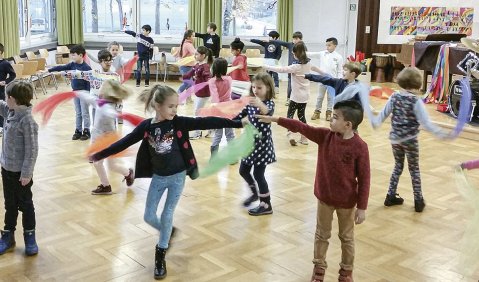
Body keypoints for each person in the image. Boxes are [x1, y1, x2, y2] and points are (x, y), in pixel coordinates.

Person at [89, 85, 247, 280]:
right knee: (148, 216)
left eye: (176, 106)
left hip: (178, 177)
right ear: (157, 105)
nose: (175, 110)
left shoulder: (179, 123)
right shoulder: (146, 127)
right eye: (171, 106)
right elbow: (125, 142)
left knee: (167, 213)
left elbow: (206, 121)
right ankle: (168, 231)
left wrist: (238, 123)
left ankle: (160, 254)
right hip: (159, 178)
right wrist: (99, 154)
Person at [256, 99, 370, 282]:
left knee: (347, 238)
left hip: (347, 202)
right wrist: (276, 119)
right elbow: (301, 126)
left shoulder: (360, 147)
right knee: (321, 234)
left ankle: (346, 271)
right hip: (324, 198)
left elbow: (365, 179)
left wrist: (362, 207)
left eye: (334, 118)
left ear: (347, 125)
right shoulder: (325, 136)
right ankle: (319, 267)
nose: (330, 121)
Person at [371, 67, 448, 213]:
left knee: (398, 167)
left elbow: (383, 114)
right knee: (414, 170)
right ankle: (418, 201)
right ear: (417, 83)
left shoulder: (394, 97)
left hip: (395, 139)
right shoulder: (415, 101)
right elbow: (426, 123)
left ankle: (390, 195)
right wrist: (440, 133)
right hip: (410, 140)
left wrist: (376, 123)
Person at [0, 81, 39, 256]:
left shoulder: (27, 120)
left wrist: (26, 174)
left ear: (13, 99)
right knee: (10, 204)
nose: (5, 99)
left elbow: (32, 150)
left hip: (21, 174)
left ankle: (30, 235)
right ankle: (8, 235)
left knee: (26, 205)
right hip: (6, 169)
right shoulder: (11, 111)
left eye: (7, 97)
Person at [77, 80, 134, 195]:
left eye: (102, 88)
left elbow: (109, 112)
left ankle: (124, 175)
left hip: (109, 140)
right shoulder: (100, 102)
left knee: (110, 165)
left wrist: (118, 115)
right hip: (99, 139)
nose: (100, 90)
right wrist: (77, 93)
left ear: (107, 92)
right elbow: (88, 98)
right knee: (101, 163)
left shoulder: (107, 107)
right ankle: (109, 184)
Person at [234, 73, 276, 215]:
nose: (255, 90)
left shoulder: (269, 103)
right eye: (253, 87)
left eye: (259, 87)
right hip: (249, 144)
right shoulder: (250, 102)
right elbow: (240, 116)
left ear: (268, 88)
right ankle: (254, 193)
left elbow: (268, 113)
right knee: (243, 171)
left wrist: (259, 103)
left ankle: (266, 205)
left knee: (259, 175)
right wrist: (227, 119)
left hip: (262, 146)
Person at [263, 41, 311, 146]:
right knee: (301, 116)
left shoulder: (296, 67)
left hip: (296, 96)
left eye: (294, 54)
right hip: (305, 96)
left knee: (290, 115)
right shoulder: (308, 63)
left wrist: (266, 67)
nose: (293, 55)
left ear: (297, 54)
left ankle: (290, 135)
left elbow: (281, 69)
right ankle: (304, 138)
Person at [48, 44, 92, 140]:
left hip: (84, 93)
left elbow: (89, 82)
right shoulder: (72, 65)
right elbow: (62, 67)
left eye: (74, 55)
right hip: (75, 92)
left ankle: (87, 130)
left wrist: (88, 94)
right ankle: (78, 130)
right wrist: (50, 70)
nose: (72, 57)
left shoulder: (87, 68)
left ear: (81, 55)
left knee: (85, 112)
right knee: (78, 112)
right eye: (71, 55)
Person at [308, 37, 344, 121]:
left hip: (333, 81)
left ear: (335, 46)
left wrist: (338, 81)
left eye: (329, 45)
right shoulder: (322, 53)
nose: (327, 47)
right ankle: (317, 112)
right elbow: (311, 54)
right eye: (326, 45)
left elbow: (340, 71)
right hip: (322, 79)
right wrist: (301, 52)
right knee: (320, 96)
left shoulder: (339, 57)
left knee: (330, 98)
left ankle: (329, 113)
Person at [182, 46, 214, 140]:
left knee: (197, 112)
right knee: (200, 112)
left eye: (197, 54)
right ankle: (212, 128)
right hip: (198, 92)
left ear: (203, 55)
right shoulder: (197, 65)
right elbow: (189, 74)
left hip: (204, 93)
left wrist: (207, 80)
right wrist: (184, 75)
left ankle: (197, 133)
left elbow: (208, 77)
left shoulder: (205, 66)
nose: (194, 55)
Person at [208, 57, 234, 156]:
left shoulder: (212, 81)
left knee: (218, 133)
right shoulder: (229, 79)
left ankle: (214, 158)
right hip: (228, 108)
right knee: (230, 133)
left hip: (218, 109)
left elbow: (215, 97)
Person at [270, 31, 303, 105]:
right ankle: (288, 99)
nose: (294, 40)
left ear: (300, 39)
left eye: (296, 39)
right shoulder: (290, 45)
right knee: (290, 84)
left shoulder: (303, 46)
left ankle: (297, 100)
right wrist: (270, 40)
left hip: (299, 69)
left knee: (298, 85)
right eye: (293, 38)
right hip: (290, 68)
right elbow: (281, 42)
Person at [0, 43, 16, 136]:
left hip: (0, 90)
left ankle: (2, 127)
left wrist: (5, 81)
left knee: (0, 109)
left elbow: (13, 75)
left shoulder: (5, 64)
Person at [174, 30, 196, 94]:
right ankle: (177, 95)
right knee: (188, 83)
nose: (194, 38)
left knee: (189, 83)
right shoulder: (188, 44)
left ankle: (188, 99)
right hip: (186, 66)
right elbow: (194, 53)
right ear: (188, 37)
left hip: (187, 66)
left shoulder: (184, 42)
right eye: (193, 36)